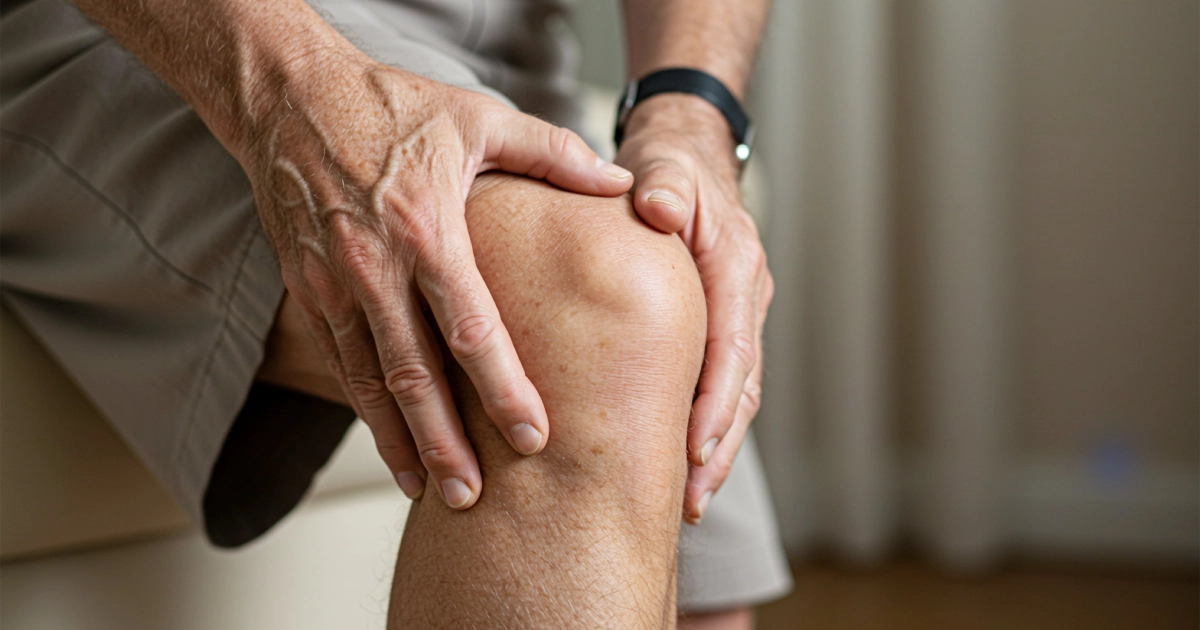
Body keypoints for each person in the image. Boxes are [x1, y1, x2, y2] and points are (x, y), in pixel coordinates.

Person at [0, 0, 789, 626]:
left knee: (700, 578)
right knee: (580, 308)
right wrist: (291, 88)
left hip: (506, 42)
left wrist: (691, 110)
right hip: (124, 25)